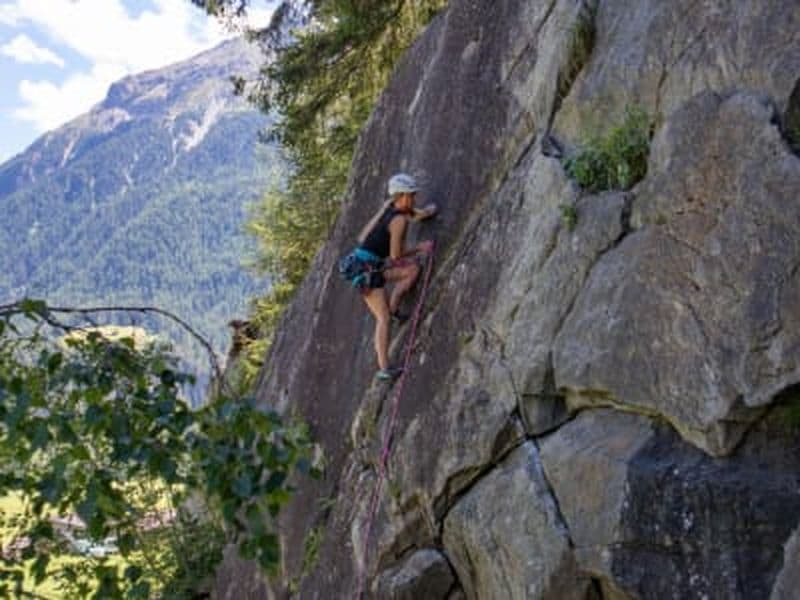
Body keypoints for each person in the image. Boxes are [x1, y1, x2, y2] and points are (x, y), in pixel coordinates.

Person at [350, 173, 438, 380]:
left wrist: (426, 213)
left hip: (369, 266)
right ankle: (384, 368)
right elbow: (396, 255)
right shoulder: (398, 219)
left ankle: (395, 306)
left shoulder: (391, 209)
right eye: (411, 195)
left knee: (412, 270)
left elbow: (412, 214)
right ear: (401, 196)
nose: (414, 199)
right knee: (383, 319)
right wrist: (419, 248)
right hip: (366, 272)